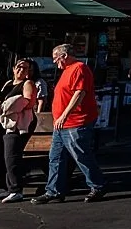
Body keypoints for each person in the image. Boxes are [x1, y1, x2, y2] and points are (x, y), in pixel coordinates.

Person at [32, 44, 107, 203]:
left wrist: (65, 115)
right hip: (61, 124)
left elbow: (80, 93)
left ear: (64, 56)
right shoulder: (67, 71)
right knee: (55, 157)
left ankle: (98, 185)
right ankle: (53, 191)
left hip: (76, 121)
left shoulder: (79, 68)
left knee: (80, 155)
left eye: (56, 58)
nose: (54, 62)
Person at [0, 58, 41, 203]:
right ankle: (6, 187)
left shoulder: (28, 84)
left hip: (19, 124)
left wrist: (8, 107)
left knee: (12, 156)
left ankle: (16, 190)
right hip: (3, 123)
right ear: (13, 69)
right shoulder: (7, 84)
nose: (21, 70)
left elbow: (28, 102)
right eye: (19, 67)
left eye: (26, 68)